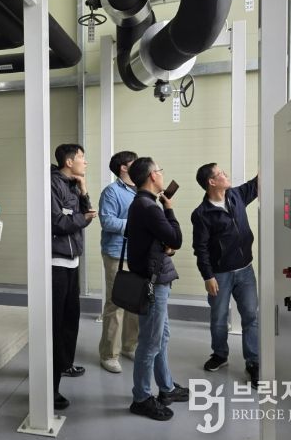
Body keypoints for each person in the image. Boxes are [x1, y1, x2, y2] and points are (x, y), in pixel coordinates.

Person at [126, 157, 189, 421]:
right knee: (150, 342)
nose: (162, 175)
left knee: (161, 337)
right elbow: (176, 238)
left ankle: (166, 388)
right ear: (152, 176)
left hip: (153, 277)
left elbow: (146, 240)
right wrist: (170, 209)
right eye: (160, 171)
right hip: (153, 282)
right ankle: (141, 398)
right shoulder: (150, 207)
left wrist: (163, 247)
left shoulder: (141, 203)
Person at [190, 164, 259, 388]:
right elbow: (200, 248)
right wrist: (207, 276)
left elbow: (257, 183)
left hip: (245, 269)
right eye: (220, 173)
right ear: (211, 182)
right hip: (220, 274)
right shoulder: (201, 214)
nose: (225, 174)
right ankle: (219, 354)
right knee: (219, 318)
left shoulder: (236, 195)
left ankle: (254, 361)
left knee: (251, 316)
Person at [50, 144, 97, 410]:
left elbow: (86, 214)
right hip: (55, 262)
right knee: (56, 326)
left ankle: (65, 364)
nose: (85, 162)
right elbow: (57, 223)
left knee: (71, 320)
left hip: (72, 260)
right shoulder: (53, 184)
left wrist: (84, 189)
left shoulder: (72, 184)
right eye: (82, 158)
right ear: (69, 161)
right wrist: (82, 217)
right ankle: (51, 388)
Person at [98, 151, 139, 374]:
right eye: (134, 162)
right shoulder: (111, 191)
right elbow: (107, 221)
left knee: (134, 303)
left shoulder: (141, 190)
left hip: (138, 253)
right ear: (123, 167)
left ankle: (129, 346)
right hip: (117, 254)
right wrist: (136, 223)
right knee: (116, 304)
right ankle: (108, 354)